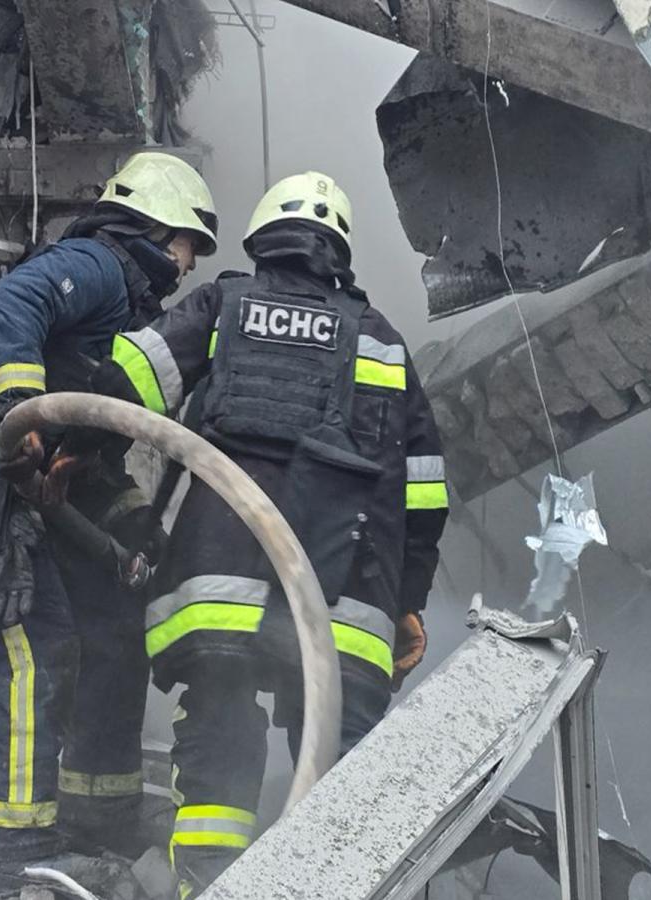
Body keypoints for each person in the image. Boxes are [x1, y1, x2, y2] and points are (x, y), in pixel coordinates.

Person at [85, 171, 447, 897]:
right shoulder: (382, 341)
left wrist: (62, 444)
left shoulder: (224, 305)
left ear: (262, 238)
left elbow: (122, 387)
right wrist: (407, 600)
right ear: (339, 249)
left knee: (219, 740)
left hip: (220, 593)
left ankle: (208, 886)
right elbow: (426, 492)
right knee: (344, 776)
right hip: (347, 611)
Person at [0, 152, 218, 895]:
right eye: (189, 244)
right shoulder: (98, 265)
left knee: (112, 633)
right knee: (34, 654)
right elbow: (15, 303)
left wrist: (135, 522)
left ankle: (97, 817)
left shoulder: (127, 310)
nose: (188, 265)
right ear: (157, 225)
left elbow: (88, 448)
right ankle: (12, 850)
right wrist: (22, 411)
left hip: (42, 502)